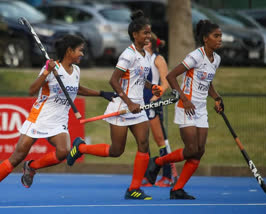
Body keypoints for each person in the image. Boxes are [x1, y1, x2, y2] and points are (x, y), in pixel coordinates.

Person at [0, 34, 117, 204]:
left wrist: (101, 93)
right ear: (69, 51)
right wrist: (47, 72)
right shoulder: (51, 67)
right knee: (17, 156)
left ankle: (32, 167)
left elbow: (75, 89)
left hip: (59, 121)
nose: (82, 54)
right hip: (39, 117)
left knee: (63, 152)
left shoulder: (76, 70)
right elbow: (32, 90)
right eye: (80, 51)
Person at [66, 10, 162, 200]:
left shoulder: (146, 56)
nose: (148, 36)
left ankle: (134, 189)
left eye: (149, 33)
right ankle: (81, 148)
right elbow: (114, 81)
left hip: (138, 107)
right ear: (135, 35)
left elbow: (138, 79)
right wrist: (129, 102)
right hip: (121, 106)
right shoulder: (128, 54)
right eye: (145, 33)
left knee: (144, 144)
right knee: (116, 151)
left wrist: (152, 87)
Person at [145, 19, 224, 199]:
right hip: (185, 106)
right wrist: (184, 98)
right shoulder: (196, 56)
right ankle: (158, 161)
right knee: (190, 149)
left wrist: (217, 98)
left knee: (199, 151)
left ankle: (177, 189)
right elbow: (171, 76)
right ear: (205, 39)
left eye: (220, 36)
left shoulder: (216, 59)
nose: (220, 39)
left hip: (201, 109)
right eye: (216, 36)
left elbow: (207, 83)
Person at [141, 33, 178, 187]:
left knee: (160, 140)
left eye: (146, 41)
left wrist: (155, 98)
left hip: (152, 103)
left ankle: (169, 176)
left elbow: (165, 83)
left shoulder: (158, 58)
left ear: (151, 43)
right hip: (140, 103)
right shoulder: (139, 58)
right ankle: (148, 177)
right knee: (142, 140)